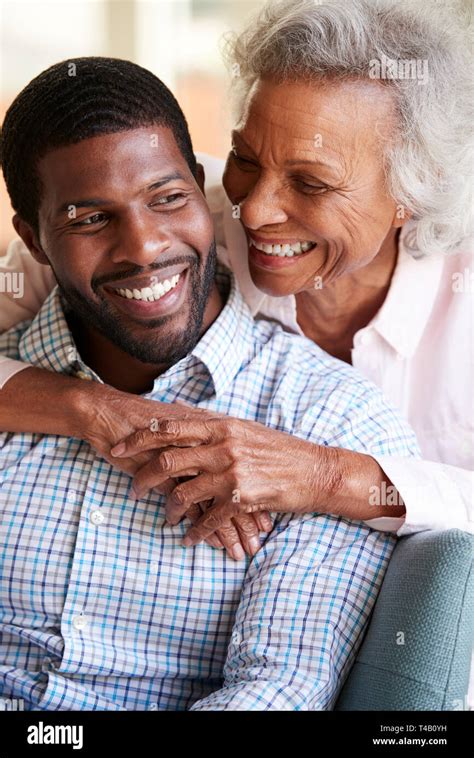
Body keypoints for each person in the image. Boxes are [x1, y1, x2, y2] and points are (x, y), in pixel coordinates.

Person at [0, 57, 419, 711]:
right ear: (32, 238)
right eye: (88, 219)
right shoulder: (14, 363)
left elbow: (277, 693)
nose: (142, 247)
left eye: (167, 199)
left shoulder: (328, 420)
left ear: (201, 189)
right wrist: (98, 410)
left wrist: (333, 478)